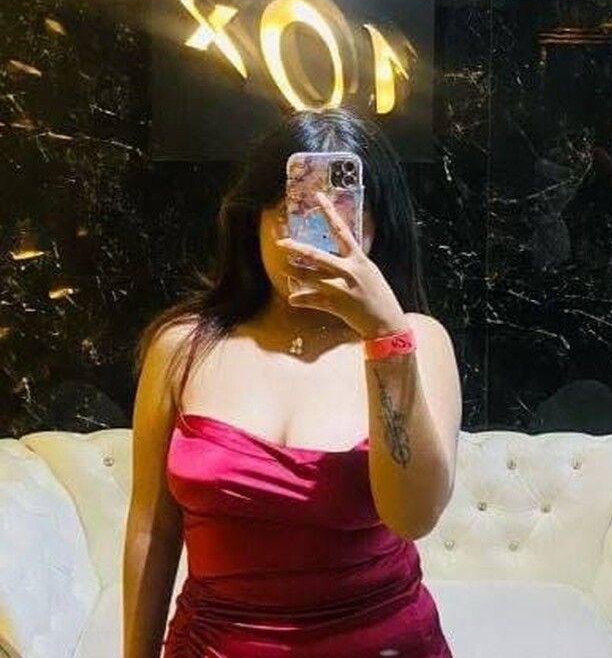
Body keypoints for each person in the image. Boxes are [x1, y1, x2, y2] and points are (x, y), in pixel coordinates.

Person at [123, 106, 462, 658]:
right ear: (253, 219)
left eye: (344, 213)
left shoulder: (419, 342)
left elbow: (413, 515)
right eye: (294, 211)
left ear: (377, 228)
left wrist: (385, 338)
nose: (312, 240)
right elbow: (152, 529)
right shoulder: (181, 348)